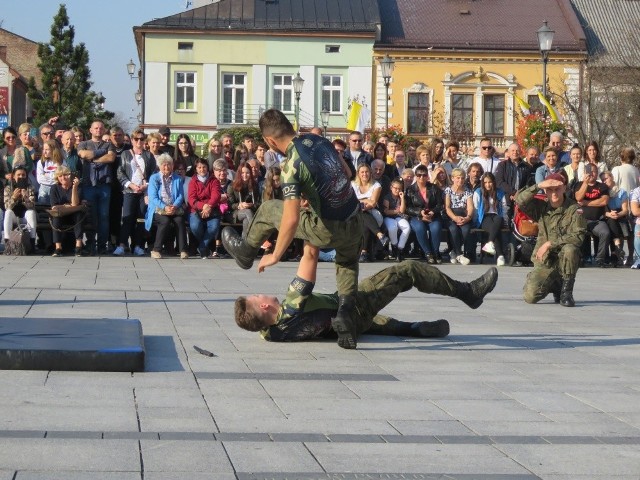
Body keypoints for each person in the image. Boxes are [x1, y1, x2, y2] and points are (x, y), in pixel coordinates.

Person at [221, 108, 363, 350]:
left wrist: (276, 254)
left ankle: (246, 251)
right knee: (347, 263)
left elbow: (289, 219)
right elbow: (347, 174)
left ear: (269, 140)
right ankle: (345, 314)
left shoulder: (291, 165)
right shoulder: (320, 140)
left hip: (327, 227)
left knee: (268, 209)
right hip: (355, 220)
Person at [234, 244, 499, 344]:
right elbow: (310, 253)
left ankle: (416, 328)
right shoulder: (292, 303)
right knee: (405, 271)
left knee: (379, 325)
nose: (264, 295)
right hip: (351, 307)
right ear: (266, 309)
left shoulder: (270, 333)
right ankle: (468, 292)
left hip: (342, 328)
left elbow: (252, 321)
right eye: (259, 297)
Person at [515, 172, 587, 306]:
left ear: (564, 188)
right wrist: (539, 185)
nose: (554, 193)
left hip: (563, 260)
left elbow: (578, 236)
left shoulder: (574, 210)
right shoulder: (541, 207)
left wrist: (550, 243)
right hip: (545, 260)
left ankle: (566, 292)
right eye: (550, 190)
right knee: (530, 297)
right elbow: (519, 200)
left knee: (570, 249)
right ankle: (553, 284)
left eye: (557, 189)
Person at [114, 130, 156, 256]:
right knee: (127, 218)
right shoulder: (125, 154)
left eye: (142, 139)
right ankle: (122, 244)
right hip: (129, 191)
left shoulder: (149, 156)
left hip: (143, 192)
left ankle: (138, 245)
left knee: (141, 219)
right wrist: (130, 185)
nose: (139, 141)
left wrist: (145, 186)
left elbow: (153, 174)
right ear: (132, 140)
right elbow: (120, 172)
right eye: (136, 139)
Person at [77, 120, 116, 255]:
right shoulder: (83, 143)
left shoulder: (109, 144)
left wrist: (93, 158)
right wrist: (101, 153)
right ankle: (90, 244)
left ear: (104, 130)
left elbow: (111, 158)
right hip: (88, 184)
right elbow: (83, 154)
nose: (98, 130)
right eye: (96, 128)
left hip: (104, 184)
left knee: (104, 216)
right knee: (90, 216)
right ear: (91, 130)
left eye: (101, 128)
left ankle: (102, 245)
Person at [145, 153, 188, 260]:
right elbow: (153, 197)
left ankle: (183, 250)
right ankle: (156, 250)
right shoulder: (154, 178)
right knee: (165, 221)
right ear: (159, 166)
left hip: (174, 208)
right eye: (164, 165)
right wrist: (165, 207)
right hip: (158, 209)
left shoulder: (177, 178)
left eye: (169, 164)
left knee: (179, 220)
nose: (166, 167)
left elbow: (180, 195)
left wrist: (174, 206)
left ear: (172, 166)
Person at [405, 164, 444, 264]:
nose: (421, 177)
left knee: (436, 228)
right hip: (416, 216)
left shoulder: (434, 188)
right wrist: (419, 212)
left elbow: (440, 204)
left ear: (427, 176)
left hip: (433, 215)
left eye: (424, 175)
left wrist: (433, 211)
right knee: (420, 228)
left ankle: (435, 252)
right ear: (415, 176)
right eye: (419, 175)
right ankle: (428, 253)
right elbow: (407, 208)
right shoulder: (410, 190)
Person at [575, 162, 610, 267]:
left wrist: (586, 203)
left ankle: (600, 258)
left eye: (594, 171)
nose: (591, 174)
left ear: (597, 172)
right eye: (589, 171)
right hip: (582, 220)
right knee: (578, 233)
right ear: (585, 173)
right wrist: (585, 183)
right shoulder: (579, 184)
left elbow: (604, 201)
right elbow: (578, 198)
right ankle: (583, 257)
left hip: (597, 220)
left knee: (605, 233)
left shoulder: (602, 186)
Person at [352, 163, 388, 262]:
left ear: (370, 173)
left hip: (373, 213)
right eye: (362, 172)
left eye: (367, 172)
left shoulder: (376, 185)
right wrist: (366, 200)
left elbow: (372, 203)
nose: (365, 174)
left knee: (363, 214)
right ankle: (380, 235)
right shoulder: (353, 185)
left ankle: (363, 253)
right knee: (362, 216)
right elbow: (352, 201)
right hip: (356, 213)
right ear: (358, 174)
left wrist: (361, 202)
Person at [188, 158, 222, 258]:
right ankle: (206, 246)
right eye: (199, 167)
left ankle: (202, 246)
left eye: (204, 167)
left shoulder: (214, 180)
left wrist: (209, 206)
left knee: (214, 227)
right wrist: (203, 206)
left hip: (212, 209)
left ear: (207, 168)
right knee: (195, 226)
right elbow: (191, 199)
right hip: (197, 209)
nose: (202, 169)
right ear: (196, 169)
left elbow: (216, 195)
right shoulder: (193, 181)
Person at [473, 172, 508, 266]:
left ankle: (489, 243)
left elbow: (504, 208)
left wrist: (506, 221)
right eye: (485, 182)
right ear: (482, 183)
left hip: (497, 216)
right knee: (494, 228)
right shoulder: (478, 192)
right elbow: (476, 209)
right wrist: (475, 222)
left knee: (499, 219)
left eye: (490, 182)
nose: (488, 185)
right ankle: (500, 255)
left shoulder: (499, 192)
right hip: (484, 217)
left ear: (494, 182)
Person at [49, 165, 85, 257]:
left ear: (70, 175)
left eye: (65, 175)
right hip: (61, 215)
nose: (63, 178)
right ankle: (58, 248)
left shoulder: (78, 187)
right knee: (55, 218)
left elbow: (75, 204)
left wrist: (74, 188)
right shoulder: (54, 188)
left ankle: (78, 246)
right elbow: (54, 206)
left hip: (73, 215)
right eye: (60, 176)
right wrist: (67, 206)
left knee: (78, 214)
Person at [4, 165, 37, 252]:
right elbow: (7, 207)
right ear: (14, 176)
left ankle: (32, 242)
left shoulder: (30, 188)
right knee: (8, 212)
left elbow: (32, 206)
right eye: (18, 175)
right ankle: (7, 243)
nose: (21, 177)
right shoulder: (8, 188)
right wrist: (14, 198)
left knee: (31, 212)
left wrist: (26, 198)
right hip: (14, 216)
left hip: (25, 217)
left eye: (23, 175)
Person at [445, 168, 474, 265]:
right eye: (458, 178)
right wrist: (454, 218)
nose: (460, 180)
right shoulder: (448, 190)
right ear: (452, 178)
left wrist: (467, 218)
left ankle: (453, 252)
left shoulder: (467, 191)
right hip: (451, 216)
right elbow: (447, 207)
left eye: (462, 178)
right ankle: (459, 254)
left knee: (466, 231)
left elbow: (470, 207)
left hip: (464, 216)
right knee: (453, 230)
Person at [601, 171, 629, 265]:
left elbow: (625, 210)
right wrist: (609, 214)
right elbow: (600, 210)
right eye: (602, 180)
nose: (604, 181)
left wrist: (617, 215)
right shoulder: (603, 193)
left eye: (606, 178)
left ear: (612, 177)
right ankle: (616, 249)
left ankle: (615, 252)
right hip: (607, 215)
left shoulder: (622, 192)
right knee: (611, 221)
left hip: (619, 215)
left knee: (613, 221)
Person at [227, 161, 261, 238]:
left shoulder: (254, 185)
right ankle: (257, 236)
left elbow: (258, 203)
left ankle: (244, 244)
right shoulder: (232, 186)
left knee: (246, 220)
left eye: (247, 173)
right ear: (239, 173)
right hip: (235, 213)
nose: (245, 175)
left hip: (250, 213)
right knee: (247, 213)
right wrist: (239, 205)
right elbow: (230, 205)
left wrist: (251, 205)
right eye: (242, 173)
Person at [382, 178, 410, 262]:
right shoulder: (387, 197)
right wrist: (396, 211)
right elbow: (386, 211)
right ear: (391, 187)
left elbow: (402, 210)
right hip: (389, 217)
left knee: (406, 227)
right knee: (392, 228)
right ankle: (394, 246)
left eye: (399, 189)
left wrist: (402, 198)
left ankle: (400, 248)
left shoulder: (401, 197)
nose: (397, 190)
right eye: (395, 188)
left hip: (398, 217)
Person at [36, 139, 64, 204]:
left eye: (47, 149)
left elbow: (61, 179)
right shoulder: (41, 162)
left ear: (53, 150)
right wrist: (54, 175)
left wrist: (46, 174)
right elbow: (40, 179)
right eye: (43, 149)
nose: (44, 152)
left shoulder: (61, 162)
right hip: (43, 190)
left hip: (57, 189)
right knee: (43, 210)